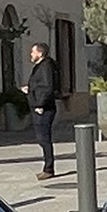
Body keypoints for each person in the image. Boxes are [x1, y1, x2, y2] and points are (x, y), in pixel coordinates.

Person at [25, 42, 61, 179]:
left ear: (40, 53)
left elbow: (47, 87)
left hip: (44, 109)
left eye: (33, 52)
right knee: (42, 138)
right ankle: (47, 166)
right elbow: (39, 85)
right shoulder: (41, 66)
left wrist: (40, 104)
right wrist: (30, 90)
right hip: (39, 106)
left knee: (44, 139)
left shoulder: (45, 67)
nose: (31, 54)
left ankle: (49, 168)